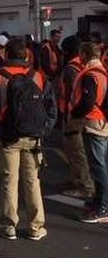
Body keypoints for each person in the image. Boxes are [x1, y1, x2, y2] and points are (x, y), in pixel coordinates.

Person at [0, 38, 56, 241]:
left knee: (9, 181)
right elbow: (51, 109)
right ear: (26, 55)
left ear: (6, 55)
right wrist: (43, 129)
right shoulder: (37, 77)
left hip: (7, 137)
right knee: (33, 182)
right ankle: (36, 226)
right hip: (33, 137)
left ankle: (8, 225)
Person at [70, 42, 108, 223]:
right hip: (101, 120)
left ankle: (103, 207)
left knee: (98, 166)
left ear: (84, 54)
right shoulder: (102, 71)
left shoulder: (91, 74)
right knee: (100, 164)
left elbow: (87, 102)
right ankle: (100, 201)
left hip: (93, 122)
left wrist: (74, 113)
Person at [57, 35, 94, 199]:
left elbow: (73, 93)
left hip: (73, 115)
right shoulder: (84, 66)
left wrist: (70, 116)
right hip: (81, 115)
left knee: (76, 152)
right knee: (74, 151)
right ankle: (75, 179)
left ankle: (84, 186)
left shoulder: (72, 68)